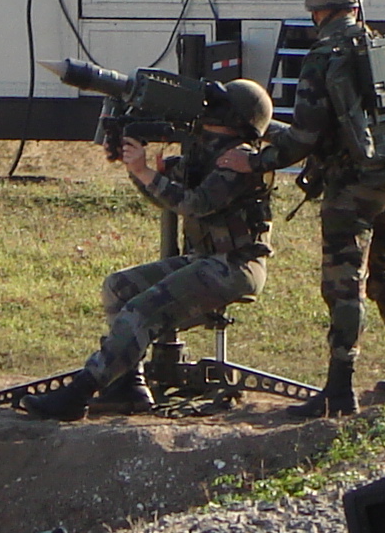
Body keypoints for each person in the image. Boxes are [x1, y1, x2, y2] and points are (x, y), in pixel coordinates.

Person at [217, 0, 385, 418]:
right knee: (383, 272)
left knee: (343, 285)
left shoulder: (323, 57)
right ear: (353, 6)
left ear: (318, 11)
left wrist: (254, 161)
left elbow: (304, 138)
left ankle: (339, 389)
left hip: (353, 187)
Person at [19, 79, 275, 422]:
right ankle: (127, 387)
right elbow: (164, 194)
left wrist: (144, 171)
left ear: (233, 116)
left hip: (234, 267)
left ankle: (79, 393)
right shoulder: (205, 152)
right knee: (119, 287)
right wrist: (136, 169)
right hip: (206, 260)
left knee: (141, 311)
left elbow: (194, 204)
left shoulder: (239, 159)